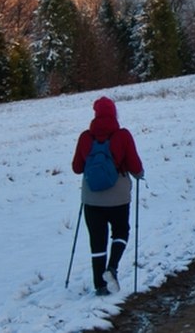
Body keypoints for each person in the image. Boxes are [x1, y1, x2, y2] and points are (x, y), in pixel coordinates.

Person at [71, 96, 144, 295]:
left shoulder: (85, 137)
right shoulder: (122, 136)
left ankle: (100, 286)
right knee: (121, 231)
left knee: (97, 240)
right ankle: (112, 268)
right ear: (114, 113)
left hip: (91, 198)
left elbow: (77, 168)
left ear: (95, 114)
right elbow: (135, 166)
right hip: (118, 197)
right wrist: (139, 175)